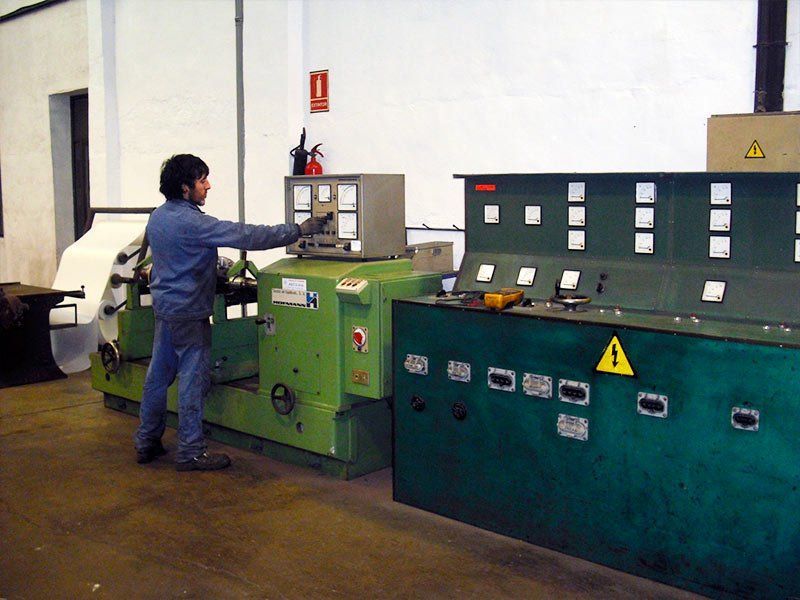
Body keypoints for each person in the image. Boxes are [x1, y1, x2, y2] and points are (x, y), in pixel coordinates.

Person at [134, 154, 325, 471]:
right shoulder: (193, 223)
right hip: (190, 316)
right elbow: (247, 235)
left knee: (157, 378)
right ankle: (191, 452)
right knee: (191, 383)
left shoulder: (158, 217)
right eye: (201, 180)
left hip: (165, 311)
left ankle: (146, 442)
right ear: (185, 188)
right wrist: (297, 229)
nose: (208, 186)